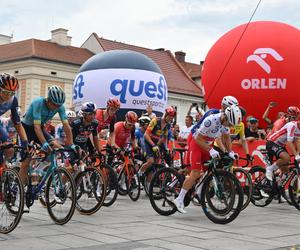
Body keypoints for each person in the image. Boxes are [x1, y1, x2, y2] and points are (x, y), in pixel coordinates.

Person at [173, 105, 242, 213]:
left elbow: (227, 137)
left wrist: (230, 152)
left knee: (209, 171)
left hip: (206, 144)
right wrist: (211, 150)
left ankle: (199, 191)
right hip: (196, 143)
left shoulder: (226, 122)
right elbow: (197, 138)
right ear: (225, 117)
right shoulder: (211, 120)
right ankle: (179, 199)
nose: (229, 126)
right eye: (229, 123)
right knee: (195, 173)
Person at [20, 85, 75, 183]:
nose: (56, 107)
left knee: (57, 148)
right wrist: (44, 143)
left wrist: (71, 144)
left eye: (59, 105)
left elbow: (66, 126)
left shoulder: (60, 107)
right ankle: (17, 188)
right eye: (54, 104)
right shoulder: (38, 103)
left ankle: (38, 170)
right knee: (25, 163)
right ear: (48, 100)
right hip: (26, 129)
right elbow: (36, 127)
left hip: (40, 128)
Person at [0, 73, 28, 168]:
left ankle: (2, 167)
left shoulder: (13, 100)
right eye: (5, 92)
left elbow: (18, 124)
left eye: (11, 93)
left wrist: (25, 143)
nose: (8, 96)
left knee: (10, 149)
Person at [139, 106, 176, 176]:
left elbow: (164, 138)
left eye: (172, 118)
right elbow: (146, 135)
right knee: (150, 161)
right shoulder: (155, 120)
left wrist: (165, 148)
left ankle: (149, 183)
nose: (171, 119)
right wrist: (153, 145)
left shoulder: (168, 125)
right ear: (166, 115)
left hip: (156, 143)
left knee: (155, 164)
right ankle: (138, 174)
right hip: (148, 141)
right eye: (170, 117)